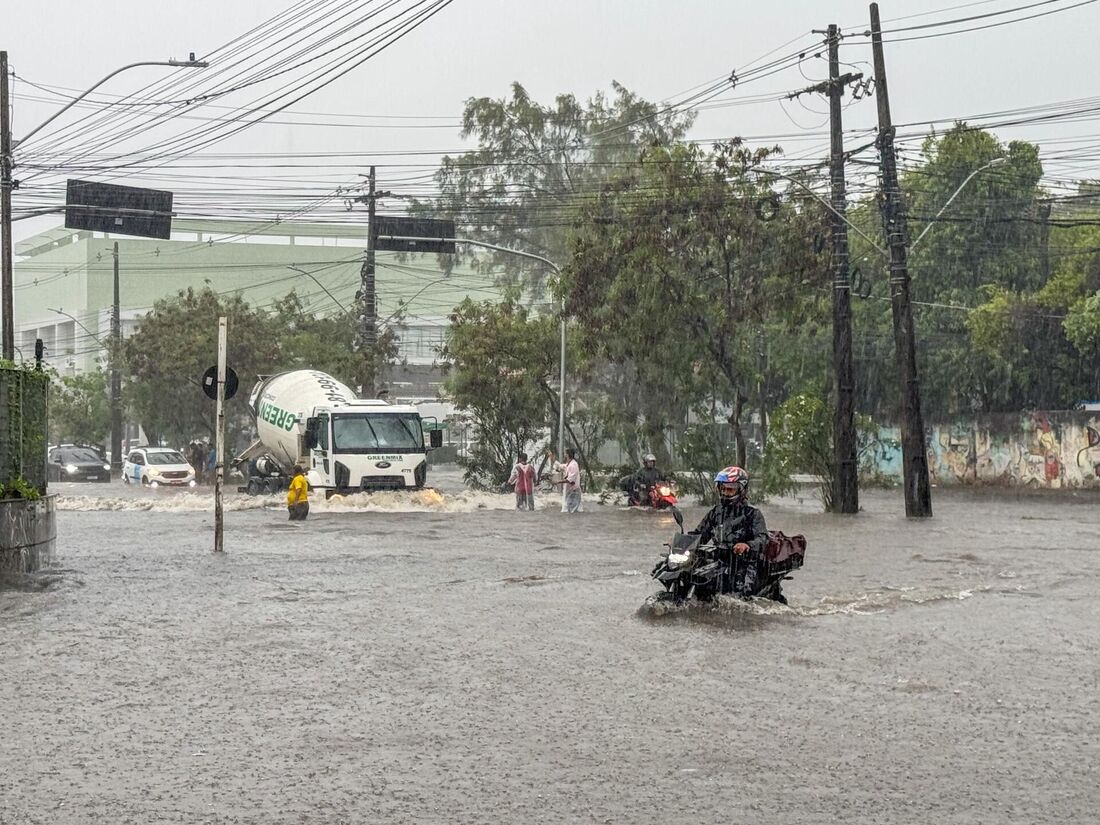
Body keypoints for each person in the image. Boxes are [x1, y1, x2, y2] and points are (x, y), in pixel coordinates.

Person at [690, 466, 770, 598]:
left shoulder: (752, 513)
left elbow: (762, 538)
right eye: (723, 489)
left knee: (740, 599)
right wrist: (682, 543)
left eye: (730, 489)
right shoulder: (717, 511)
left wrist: (747, 545)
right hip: (720, 559)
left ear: (741, 489)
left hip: (743, 562)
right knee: (697, 578)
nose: (726, 493)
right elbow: (700, 534)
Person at [548, 447, 582, 513]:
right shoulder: (568, 464)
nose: (564, 455)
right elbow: (560, 466)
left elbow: (570, 480)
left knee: (572, 511)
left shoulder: (573, 465)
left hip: (574, 491)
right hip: (569, 491)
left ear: (568, 455)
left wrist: (558, 482)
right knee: (569, 511)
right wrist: (552, 458)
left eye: (565, 454)